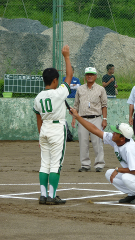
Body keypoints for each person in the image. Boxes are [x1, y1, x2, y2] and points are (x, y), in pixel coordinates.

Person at [69, 109, 135, 204]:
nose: (113, 134)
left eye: (116, 133)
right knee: (109, 173)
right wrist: (77, 117)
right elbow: (95, 130)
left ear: (122, 138)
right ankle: (133, 194)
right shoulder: (117, 140)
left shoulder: (129, 149)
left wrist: (118, 169)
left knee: (126, 177)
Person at [33, 45, 72, 205]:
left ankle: (43, 195)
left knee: (45, 164)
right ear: (55, 80)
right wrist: (66, 56)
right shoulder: (59, 92)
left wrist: (40, 135)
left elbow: (38, 117)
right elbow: (69, 75)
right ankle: (52, 196)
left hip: (44, 129)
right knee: (56, 164)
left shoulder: (38, 97)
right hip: (57, 129)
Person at [71, 67, 108, 172]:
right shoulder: (80, 89)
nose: (89, 76)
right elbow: (76, 105)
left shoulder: (101, 89)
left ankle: (99, 164)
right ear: (85, 76)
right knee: (83, 142)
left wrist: (104, 119)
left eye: (92, 74)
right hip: (82, 119)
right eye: (88, 74)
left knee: (97, 142)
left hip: (96, 118)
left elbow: (104, 105)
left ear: (96, 76)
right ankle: (85, 165)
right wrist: (74, 118)